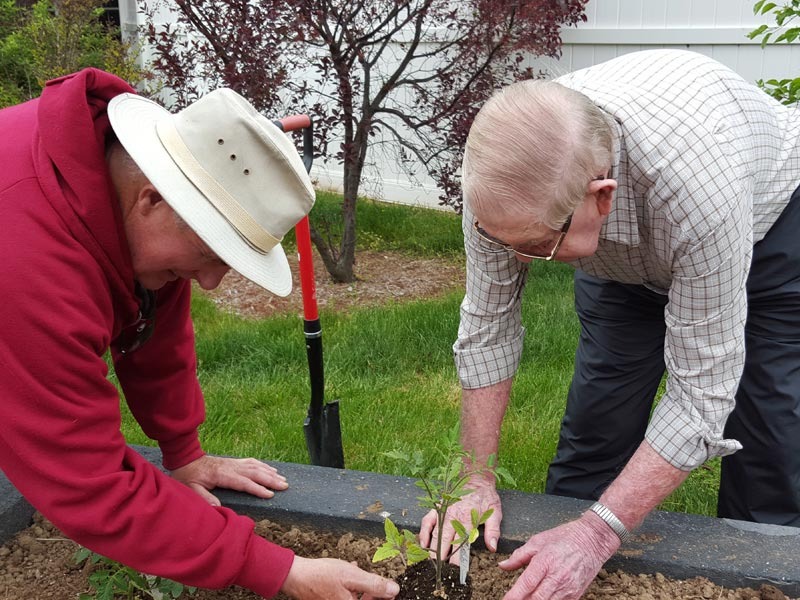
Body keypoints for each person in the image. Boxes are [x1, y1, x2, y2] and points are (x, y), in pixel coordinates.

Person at [0, 68, 398, 600]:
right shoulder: (27, 265)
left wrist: (183, 453)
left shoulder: (122, 184)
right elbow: (88, 483)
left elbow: (155, 326)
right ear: (152, 201)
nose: (210, 282)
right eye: (210, 254)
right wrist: (278, 569)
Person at [419, 49, 800, 599]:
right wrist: (474, 478)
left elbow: (701, 393)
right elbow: (487, 328)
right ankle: (552, 563)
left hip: (770, 229)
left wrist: (597, 535)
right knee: (598, 422)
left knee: (768, 435)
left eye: (537, 246)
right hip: (622, 249)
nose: (520, 260)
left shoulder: (699, 188)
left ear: (601, 197)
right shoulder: (505, 180)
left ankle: (764, 574)